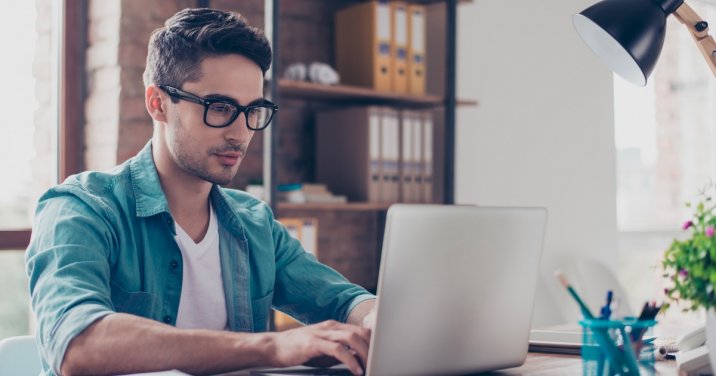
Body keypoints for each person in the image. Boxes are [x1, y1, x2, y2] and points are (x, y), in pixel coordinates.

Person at [26, 8, 376, 376]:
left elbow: (344, 301)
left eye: (252, 110)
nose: (240, 133)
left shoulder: (255, 223)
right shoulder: (80, 209)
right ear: (157, 103)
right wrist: (271, 347)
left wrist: (374, 314)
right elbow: (77, 343)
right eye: (220, 107)